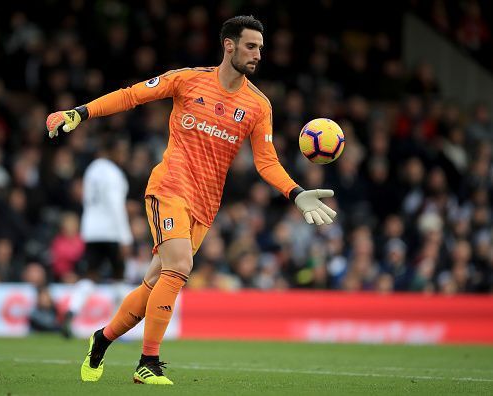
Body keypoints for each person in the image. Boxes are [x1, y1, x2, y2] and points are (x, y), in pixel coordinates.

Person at [46, 15, 337, 386]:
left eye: (261, 48)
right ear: (229, 45)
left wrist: (295, 193)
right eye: (251, 46)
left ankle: (101, 340)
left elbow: (267, 161)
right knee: (179, 267)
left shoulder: (258, 105)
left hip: (205, 205)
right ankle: (147, 362)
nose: (257, 55)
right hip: (168, 187)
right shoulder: (187, 79)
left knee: (155, 283)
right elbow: (132, 95)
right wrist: (80, 112)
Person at [60, 136, 133, 338]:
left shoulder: (92, 169)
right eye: (121, 151)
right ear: (112, 152)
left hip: (91, 230)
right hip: (111, 231)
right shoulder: (114, 174)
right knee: (119, 276)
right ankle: (118, 329)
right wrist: (125, 237)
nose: (123, 155)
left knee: (89, 275)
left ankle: (72, 309)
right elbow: (116, 206)